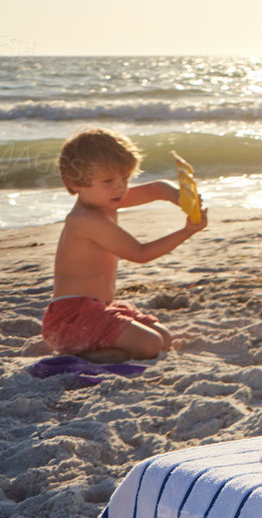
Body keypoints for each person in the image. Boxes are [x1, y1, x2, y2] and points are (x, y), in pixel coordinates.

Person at [43, 128, 209, 360]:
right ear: (75, 182)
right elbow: (140, 253)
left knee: (164, 338)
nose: (119, 188)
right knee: (150, 344)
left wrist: (181, 198)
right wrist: (186, 232)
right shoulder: (86, 219)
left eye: (125, 179)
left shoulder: (105, 199)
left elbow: (156, 189)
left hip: (99, 310)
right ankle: (78, 357)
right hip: (72, 319)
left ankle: (108, 352)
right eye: (108, 180)